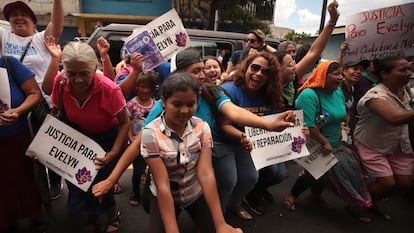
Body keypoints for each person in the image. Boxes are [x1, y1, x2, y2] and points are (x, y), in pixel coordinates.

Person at [92, 49, 296, 222]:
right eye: (196, 71)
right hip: (167, 171)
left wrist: (269, 124)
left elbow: (234, 112)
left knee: (218, 195)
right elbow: (138, 142)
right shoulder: (164, 104)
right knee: (165, 211)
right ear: (180, 75)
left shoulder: (211, 92)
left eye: (203, 69)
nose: (202, 75)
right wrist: (111, 179)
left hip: (198, 167)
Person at [44, 40, 129, 233]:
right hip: (78, 136)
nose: (78, 80)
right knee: (79, 181)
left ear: (95, 68)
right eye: (71, 73)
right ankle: (90, 216)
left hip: (107, 139)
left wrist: (114, 152)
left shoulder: (110, 90)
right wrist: (42, 144)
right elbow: (55, 112)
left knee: (102, 182)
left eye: (84, 73)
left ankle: (112, 213)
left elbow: (125, 123)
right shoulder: (61, 81)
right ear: (64, 70)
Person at [140, 72, 242, 233]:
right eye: (177, 104)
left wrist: (220, 223)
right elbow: (163, 184)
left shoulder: (202, 127)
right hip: (165, 194)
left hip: (195, 192)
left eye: (191, 104)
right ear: (164, 102)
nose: (184, 111)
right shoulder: (149, 134)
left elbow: (206, 173)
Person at [292, 60, 372, 222]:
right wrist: (324, 142)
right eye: (336, 74)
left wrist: (344, 122)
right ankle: (291, 196)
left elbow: (343, 111)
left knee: (325, 173)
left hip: (335, 140)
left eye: (341, 74)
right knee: (315, 170)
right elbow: (309, 124)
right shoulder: (309, 95)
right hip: (315, 142)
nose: (340, 78)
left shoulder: (337, 92)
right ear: (322, 75)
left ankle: (314, 195)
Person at [1, 0, 65, 200]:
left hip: (43, 104)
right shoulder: (4, 36)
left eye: (24, 13)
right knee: (23, 150)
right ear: (8, 21)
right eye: (14, 14)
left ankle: (54, 180)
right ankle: (30, 187)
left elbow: (57, 23)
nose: (18, 17)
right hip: (13, 106)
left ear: (33, 20)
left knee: (47, 146)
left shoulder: (41, 39)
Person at [219, 52, 285, 218]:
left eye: (265, 72)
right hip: (223, 140)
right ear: (246, 68)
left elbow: (269, 123)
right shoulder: (230, 90)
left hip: (245, 143)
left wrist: (293, 128)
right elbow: (224, 125)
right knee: (229, 180)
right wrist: (243, 137)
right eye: (255, 68)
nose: (259, 74)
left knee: (250, 178)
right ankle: (216, 213)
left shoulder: (269, 95)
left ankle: (234, 203)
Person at [354, 56, 414, 220]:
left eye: (409, 69)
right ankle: (355, 202)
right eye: (402, 70)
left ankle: (371, 202)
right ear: (385, 74)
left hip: (398, 144)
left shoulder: (405, 89)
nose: (408, 73)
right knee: (387, 183)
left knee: (404, 184)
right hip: (372, 144)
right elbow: (393, 118)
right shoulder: (375, 96)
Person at [0, 55, 44, 232]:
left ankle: (36, 217)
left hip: (17, 137)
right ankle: (5, 221)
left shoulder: (9, 63)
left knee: (25, 179)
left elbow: (35, 94)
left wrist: (18, 112)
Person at [126, 71, 159, 207]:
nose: (144, 90)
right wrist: (132, 140)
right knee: (138, 170)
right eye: (142, 86)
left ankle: (150, 192)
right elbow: (126, 125)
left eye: (148, 87)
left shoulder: (156, 105)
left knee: (153, 168)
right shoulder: (131, 104)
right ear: (137, 87)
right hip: (135, 143)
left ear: (152, 88)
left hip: (151, 142)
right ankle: (135, 192)